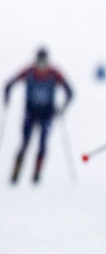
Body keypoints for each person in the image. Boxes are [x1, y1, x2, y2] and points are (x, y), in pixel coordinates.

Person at [4, 48, 74, 184]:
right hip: (31, 114)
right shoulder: (28, 72)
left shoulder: (54, 74)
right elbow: (8, 85)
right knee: (25, 144)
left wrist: (62, 109)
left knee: (42, 145)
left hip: (47, 115)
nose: (41, 66)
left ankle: (36, 175)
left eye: (44, 62)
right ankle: (15, 174)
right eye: (39, 62)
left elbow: (70, 92)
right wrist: (7, 98)